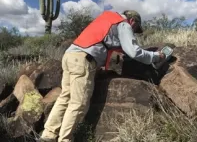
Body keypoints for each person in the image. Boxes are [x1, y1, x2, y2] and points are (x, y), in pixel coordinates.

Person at [40, 10, 165, 142]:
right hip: (83, 60)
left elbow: (106, 42)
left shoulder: (106, 19)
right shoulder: (124, 24)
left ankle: (48, 136)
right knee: (78, 103)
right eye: (135, 29)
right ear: (132, 21)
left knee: (65, 97)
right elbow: (133, 51)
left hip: (69, 56)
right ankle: (65, 139)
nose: (133, 32)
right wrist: (155, 56)